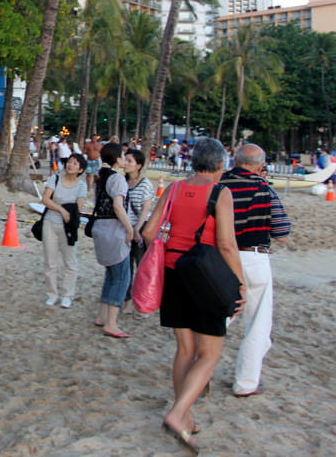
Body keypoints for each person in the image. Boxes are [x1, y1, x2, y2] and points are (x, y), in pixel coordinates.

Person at [141, 137, 244, 453]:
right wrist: (240, 284)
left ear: (193, 161)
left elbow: (147, 232)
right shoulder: (219, 192)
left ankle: (185, 415)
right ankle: (176, 414)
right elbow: (226, 244)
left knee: (185, 349)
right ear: (220, 165)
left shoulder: (173, 189)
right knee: (209, 354)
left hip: (173, 273)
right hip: (205, 278)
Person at [218, 143, 291, 399]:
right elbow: (282, 233)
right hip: (253, 256)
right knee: (257, 324)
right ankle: (246, 383)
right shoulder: (264, 188)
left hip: (220, 256)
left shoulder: (219, 184)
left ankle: (198, 368)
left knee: (219, 316)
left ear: (234, 161)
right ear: (261, 166)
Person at [90, 142, 136, 337]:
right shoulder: (117, 179)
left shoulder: (100, 178)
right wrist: (130, 229)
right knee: (121, 278)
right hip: (113, 230)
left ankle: (102, 316)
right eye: (123, 157)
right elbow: (118, 206)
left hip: (100, 228)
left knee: (111, 275)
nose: (124, 160)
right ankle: (111, 322)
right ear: (117, 159)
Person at [39, 153, 87, 309]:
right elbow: (45, 199)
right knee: (50, 262)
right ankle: (52, 294)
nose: (70, 165)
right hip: (50, 223)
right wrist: (62, 210)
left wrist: (69, 213)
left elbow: (79, 207)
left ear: (80, 169)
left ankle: (67, 295)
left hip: (68, 227)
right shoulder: (55, 179)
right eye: (69, 162)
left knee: (70, 262)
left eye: (75, 164)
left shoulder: (81, 185)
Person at [121, 149, 155, 318]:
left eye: (129, 161)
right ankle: (126, 302)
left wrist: (136, 229)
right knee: (126, 268)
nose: (125, 163)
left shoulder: (145, 183)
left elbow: (146, 208)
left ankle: (143, 305)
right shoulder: (122, 182)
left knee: (142, 267)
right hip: (124, 229)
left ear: (138, 165)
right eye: (125, 160)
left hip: (139, 229)